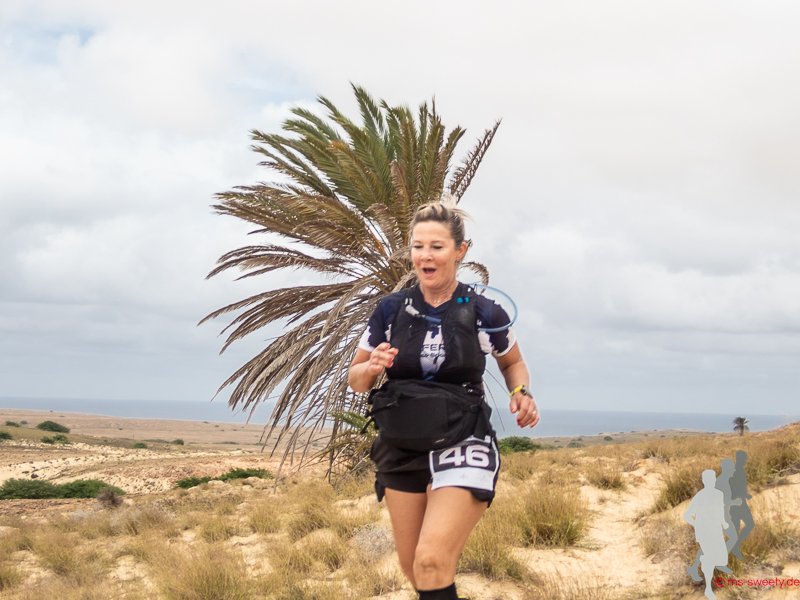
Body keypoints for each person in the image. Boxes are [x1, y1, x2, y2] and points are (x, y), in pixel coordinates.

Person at [348, 199, 539, 600]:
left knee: (432, 561)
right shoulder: (390, 310)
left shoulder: (485, 311)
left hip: (463, 438)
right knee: (415, 569)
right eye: (418, 246)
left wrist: (520, 392)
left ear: (460, 251)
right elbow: (357, 380)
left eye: (436, 246)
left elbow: (513, 363)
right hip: (401, 444)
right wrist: (372, 366)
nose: (425, 255)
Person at [683, 470, 730, 600]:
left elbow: (720, 512)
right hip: (704, 532)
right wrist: (698, 525)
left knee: (722, 559)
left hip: (716, 530)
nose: (711, 481)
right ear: (704, 481)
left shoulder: (719, 494)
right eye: (708, 479)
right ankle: (708, 589)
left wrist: (724, 523)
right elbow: (687, 516)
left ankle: (703, 561)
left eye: (713, 479)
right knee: (710, 558)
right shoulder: (699, 497)